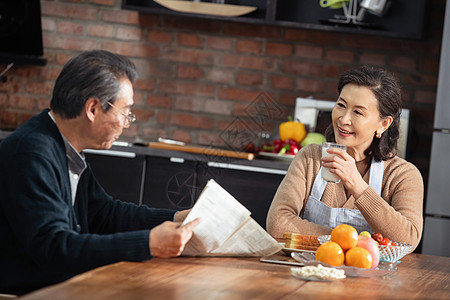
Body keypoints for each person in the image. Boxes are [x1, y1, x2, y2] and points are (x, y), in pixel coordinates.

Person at [0, 50, 199, 295]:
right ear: (93, 108)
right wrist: (148, 243)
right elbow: (54, 247)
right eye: (126, 112)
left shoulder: (63, 146)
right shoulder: (33, 154)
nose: (127, 124)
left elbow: (104, 214)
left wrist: (177, 218)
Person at [266, 65, 423, 250]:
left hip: (372, 278)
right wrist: (350, 241)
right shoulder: (311, 158)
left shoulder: (403, 175)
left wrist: (358, 185)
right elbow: (277, 224)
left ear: (383, 124)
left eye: (358, 112)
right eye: (341, 105)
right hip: (311, 271)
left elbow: (408, 239)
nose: (343, 119)